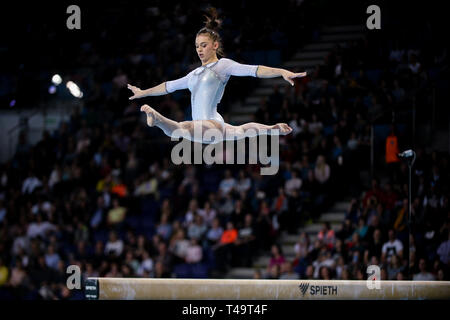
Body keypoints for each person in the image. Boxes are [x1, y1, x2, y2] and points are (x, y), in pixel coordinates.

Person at [128, 8, 306, 144]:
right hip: (206, 128)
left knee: (181, 128)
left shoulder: (223, 65)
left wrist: (281, 71)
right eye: (197, 46)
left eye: (204, 45)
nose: (199, 49)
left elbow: (254, 70)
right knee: (240, 131)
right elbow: (168, 86)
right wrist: (143, 92)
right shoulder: (193, 74)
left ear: (215, 45)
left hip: (212, 124)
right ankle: (271, 129)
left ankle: (157, 119)